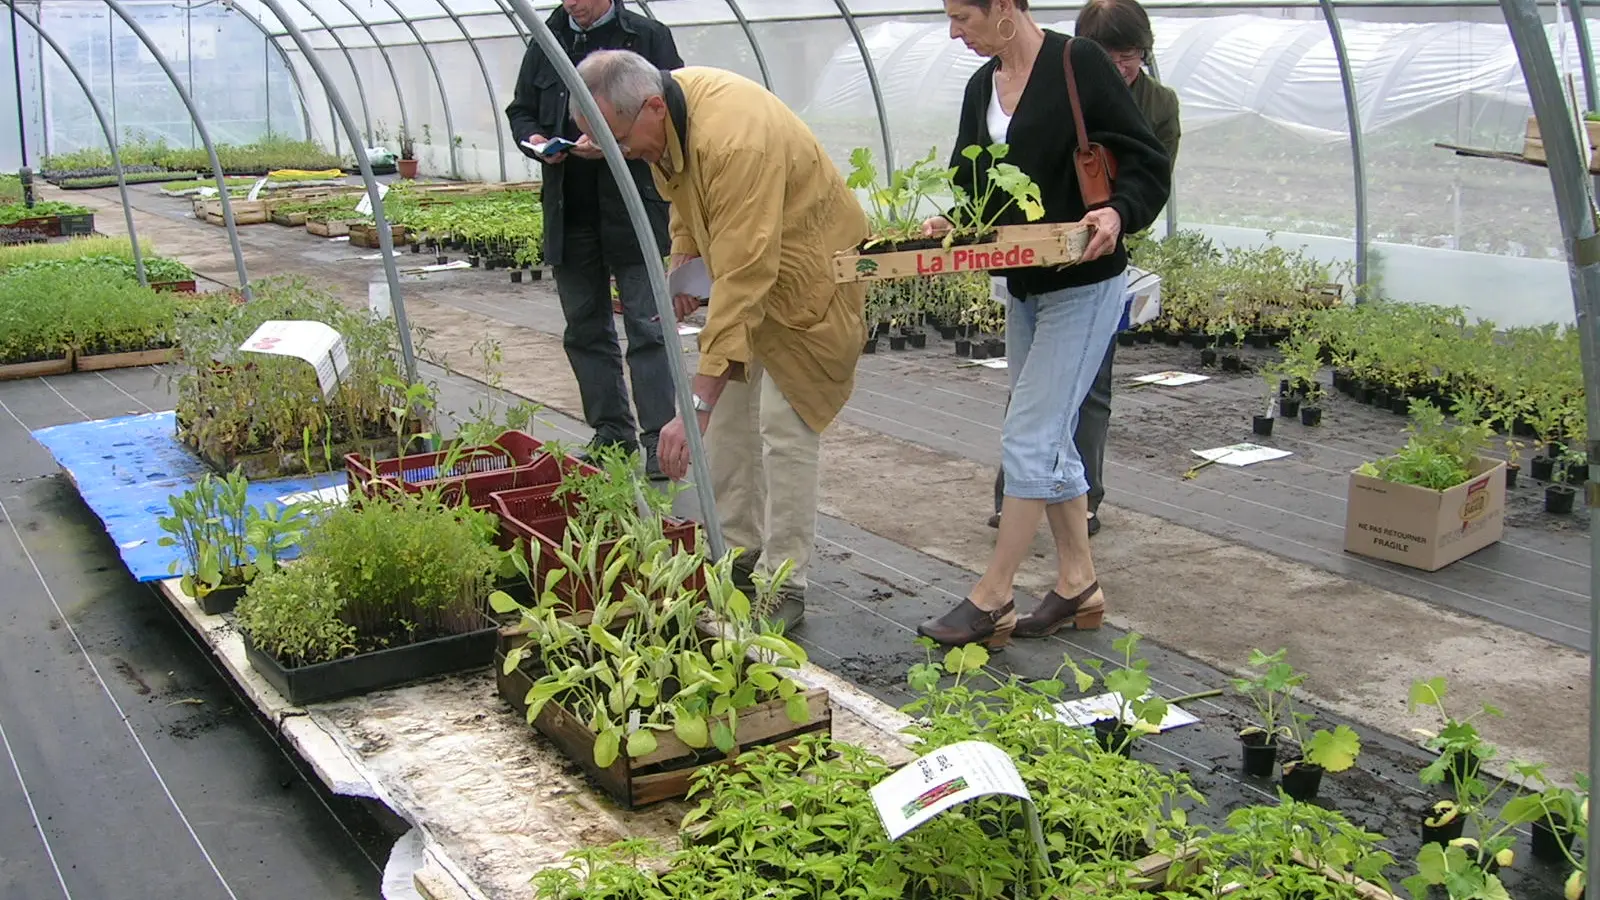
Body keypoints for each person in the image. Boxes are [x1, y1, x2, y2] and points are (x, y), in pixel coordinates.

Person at [571, 50, 870, 631]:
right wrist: (685, 259)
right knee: (730, 425)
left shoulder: (734, 139)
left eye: (624, 139)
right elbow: (688, 201)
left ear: (652, 107)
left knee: (786, 426)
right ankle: (738, 554)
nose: (626, 153)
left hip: (809, 284)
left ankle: (786, 582)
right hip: (755, 276)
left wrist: (693, 403)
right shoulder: (670, 111)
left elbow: (744, 277)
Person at [917, 0, 1169, 648]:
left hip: (1084, 286)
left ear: (1004, 8)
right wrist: (955, 221)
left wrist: (1116, 212)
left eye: (963, 17)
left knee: (1028, 433)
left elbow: (1145, 161)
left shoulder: (1077, 63)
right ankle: (1079, 581)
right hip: (1025, 286)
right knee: (1047, 436)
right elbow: (977, 185)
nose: (955, 33)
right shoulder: (983, 86)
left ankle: (993, 594)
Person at [987, 0, 1181, 535]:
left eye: (1132, 55)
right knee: (1033, 396)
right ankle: (1029, 507)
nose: (1123, 66)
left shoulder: (1156, 102)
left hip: (1097, 261)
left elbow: (1151, 171)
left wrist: (1117, 215)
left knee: (1085, 390)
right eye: (1112, 55)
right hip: (1034, 263)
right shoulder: (1047, 78)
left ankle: (1082, 502)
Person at [504, 0, 683, 477]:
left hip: (634, 207)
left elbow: (673, 112)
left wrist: (617, 145)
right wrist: (537, 142)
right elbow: (521, 109)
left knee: (648, 326)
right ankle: (611, 433)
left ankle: (657, 439)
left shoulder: (646, 35)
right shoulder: (547, 38)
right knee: (584, 328)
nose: (572, 5)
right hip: (572, 209)